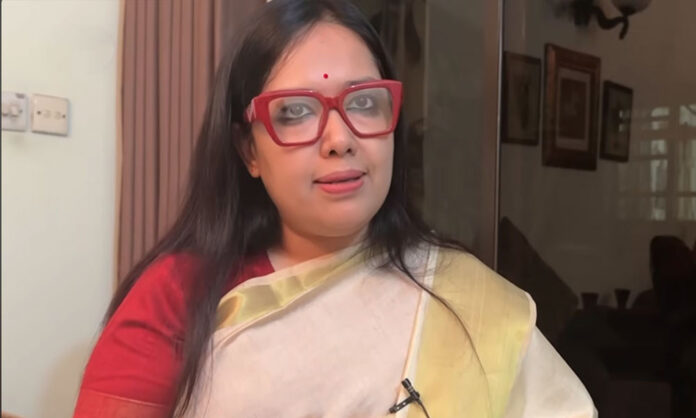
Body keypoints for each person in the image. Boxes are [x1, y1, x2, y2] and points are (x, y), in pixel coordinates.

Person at [73, 0, 596, 416]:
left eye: (364, 102)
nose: (340, 139)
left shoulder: (468, 301)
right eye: (296, 112)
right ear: (248, 150)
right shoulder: (178, 297)